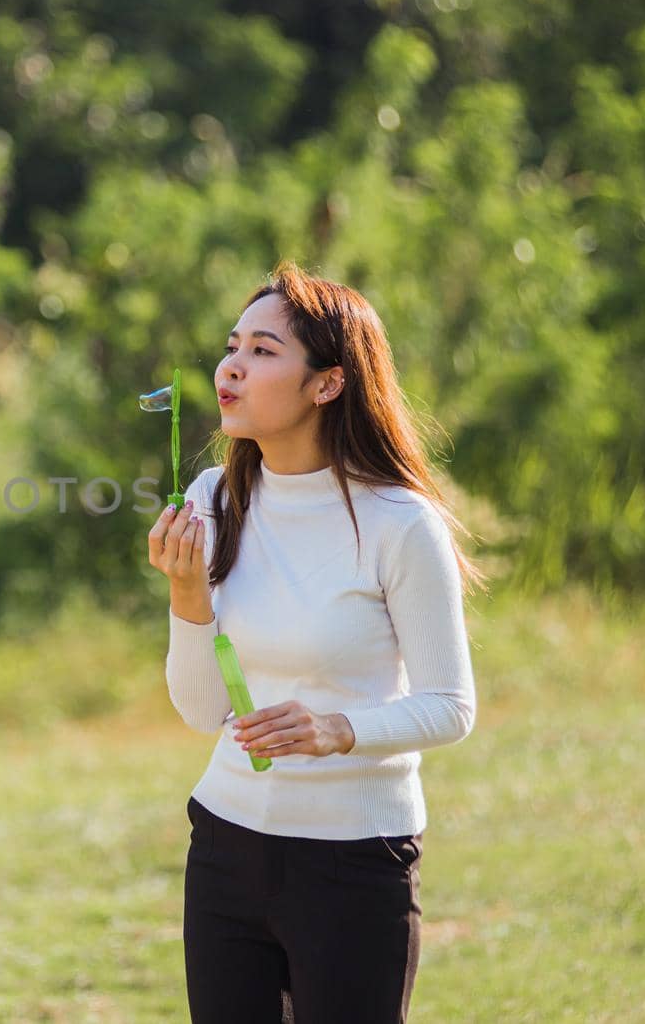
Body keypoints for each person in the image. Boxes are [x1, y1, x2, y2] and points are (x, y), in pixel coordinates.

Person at [146, 262, 482, 1023]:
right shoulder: (212, 498)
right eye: (233, 346)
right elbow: (203, 715)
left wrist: (337, 729)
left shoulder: (401, 523)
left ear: (327, 383)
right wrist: (187, 595)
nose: (231, 365)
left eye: (264, 351)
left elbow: (450, 706)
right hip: (227, 846)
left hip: (354, 861)